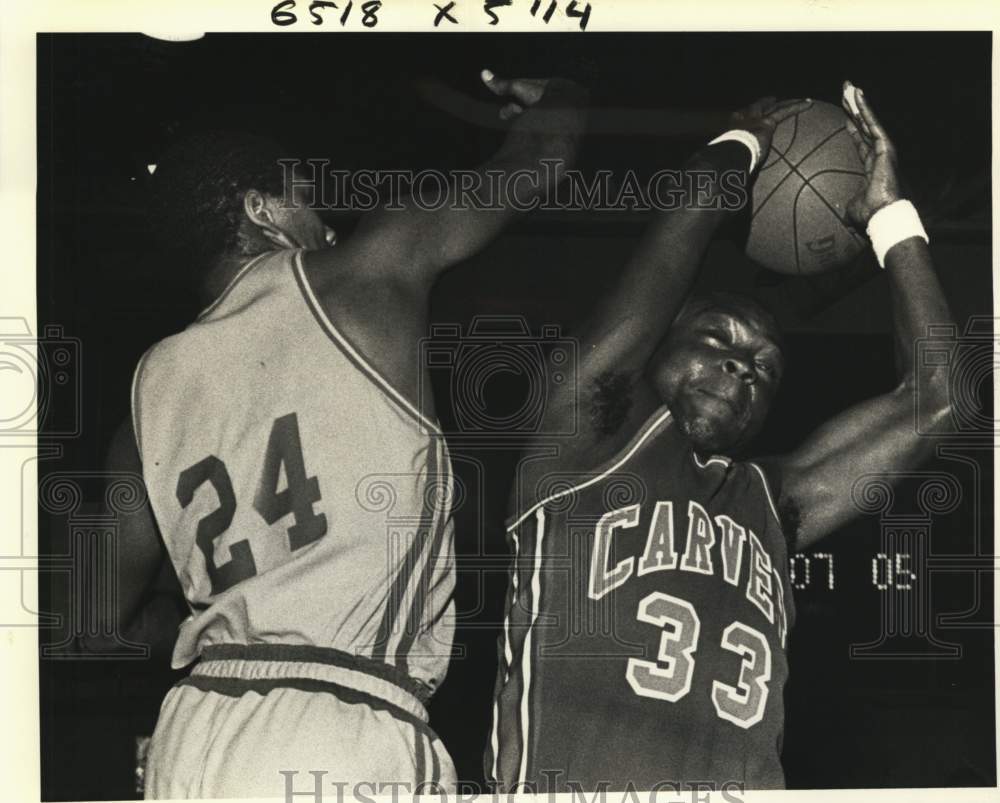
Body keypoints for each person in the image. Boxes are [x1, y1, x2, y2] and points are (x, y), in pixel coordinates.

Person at [87, 71, 587, 799]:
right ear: (261, 210)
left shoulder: (143, 393)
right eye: (303, 195)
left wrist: (218, 627)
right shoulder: (361, 270)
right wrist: (565, 90)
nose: (322, 221)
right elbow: (535, 166)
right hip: (343, 717)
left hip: (191, 735)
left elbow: (99, 618)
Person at [486, 83, 953, 792]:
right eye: (716, 339)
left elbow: (941, 398)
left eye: (764, 369)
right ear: (658, 347)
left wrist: (889, 215)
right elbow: (673, 244)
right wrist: (741, 143)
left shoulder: (776, 502)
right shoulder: (584, 432)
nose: (743, 364)